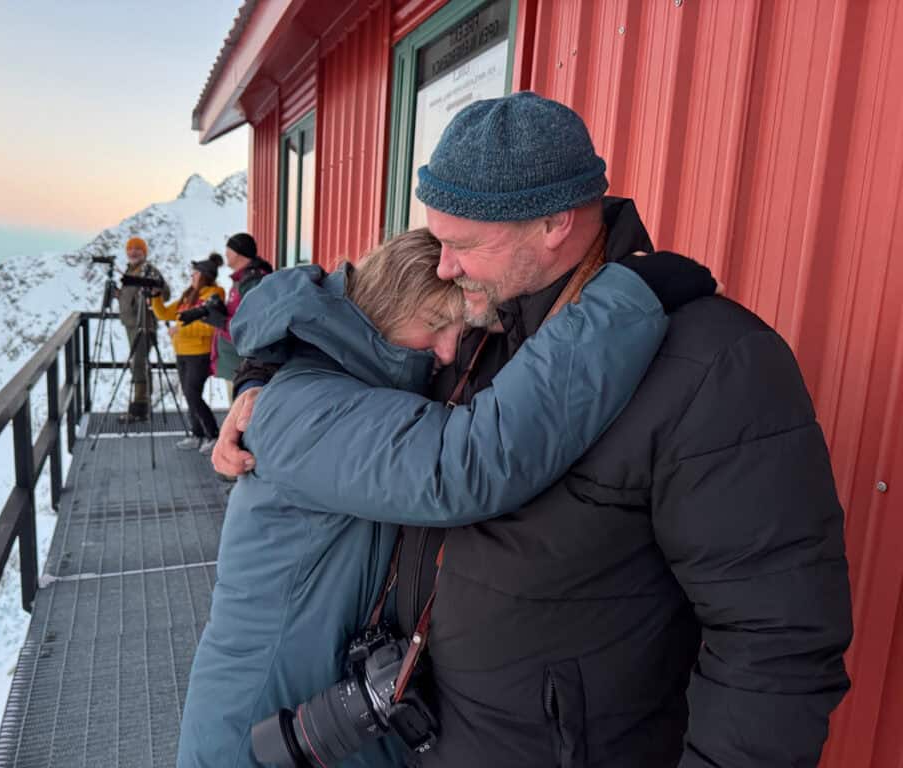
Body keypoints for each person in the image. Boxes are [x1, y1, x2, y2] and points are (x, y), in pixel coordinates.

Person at [216, 92, 853, 767]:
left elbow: (776, 642)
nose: (444, 267)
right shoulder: (476, 327)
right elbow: (349, 319)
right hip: (427, 742)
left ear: (553, 223)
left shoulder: (716, 364)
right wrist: (260, 371)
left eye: (461, 245)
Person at [177, 227, 717, 768]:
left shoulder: (334, 379)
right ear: (389, 306)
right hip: (258, 733)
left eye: (456, 330)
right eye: (436, 326)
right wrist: (621, 303)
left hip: (325, 723)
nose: (445, 351)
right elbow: (463, 465)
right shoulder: (306, 410)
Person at [151, 254, 224, 454]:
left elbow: (210, 328)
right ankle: (197, 434)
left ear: (204, 276)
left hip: (199, 353)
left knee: (192, 394)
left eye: (195, 273)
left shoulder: (214, 295)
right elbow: (165, 314)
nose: (192, 276)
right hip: (182, 352)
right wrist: (155, 297)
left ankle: (213, 435)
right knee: (189, 395)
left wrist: (180, 329)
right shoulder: (188, 295)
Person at [203, 233, 273, 401]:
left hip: (244, 365)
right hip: (237, 363)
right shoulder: (242, 280)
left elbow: (255, 325)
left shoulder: (253, 281)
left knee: (241, 418)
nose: (225, 252)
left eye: (229, 248)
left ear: (238, 252)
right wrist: (221, 311)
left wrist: (221, 321)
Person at [117, 236, 170, 422]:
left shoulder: (149, 270)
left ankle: (140, 408)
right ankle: (141, 405)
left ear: (144, 252)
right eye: (130, 249)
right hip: (131, 323)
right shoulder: (130, 270)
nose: (133, 252)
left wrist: (155, 293)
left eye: (137, 249)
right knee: (138, 362)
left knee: (138, 363)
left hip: (145, 324)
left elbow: (166, 292)